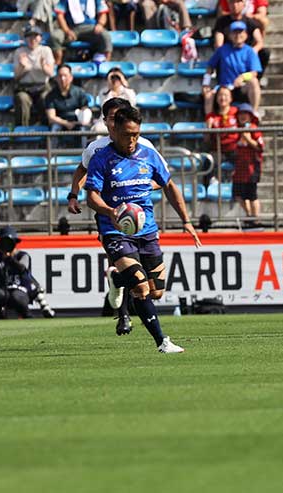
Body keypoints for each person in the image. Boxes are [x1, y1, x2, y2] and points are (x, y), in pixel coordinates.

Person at [85, 106, 202, 353]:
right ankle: (162, 341)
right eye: (127, 134)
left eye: (136, 134)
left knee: (156, 292)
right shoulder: (101, 159)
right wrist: (111, 213)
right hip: (115, 231)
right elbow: (92, 197)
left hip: (147, 231)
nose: (132, 140)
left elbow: (168, 185)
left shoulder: (148, 155)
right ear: (114, 130)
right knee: (140, 288)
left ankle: (117, 278)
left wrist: (186, 221)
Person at [68, 98, 166, 334]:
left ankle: (118, 285)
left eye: (118, 116)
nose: (114, 122)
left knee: (150, 286)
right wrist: (73, 195)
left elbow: (161, 178)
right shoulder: (97, 149)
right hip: (110, 216)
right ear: (106, 122)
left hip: (139, 215)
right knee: (123, 263)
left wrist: (139, 186)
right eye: (111, 118)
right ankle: (123, 316)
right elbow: (82, 171)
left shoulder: (144, 145)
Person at [204, 23, 262, 112]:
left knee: (254, 82)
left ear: (246, 35)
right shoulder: (222, 50)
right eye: (235, 32)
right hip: (224, 87)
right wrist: (206, 84)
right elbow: (210, 67)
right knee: (209, 95)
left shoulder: (250, 51)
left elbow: (254, 73)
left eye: (240, 32)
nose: (238, 35)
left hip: (241, 88)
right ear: (230, 35)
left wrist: (242, 77)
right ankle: (209, 120)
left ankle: (254, 113)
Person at [213, 0, 269, 75]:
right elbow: (219, 44)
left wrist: (252, 51)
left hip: (246, 54)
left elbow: (259, 42)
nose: (235, 5)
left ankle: (255, 78)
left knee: (264, 53)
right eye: (232, 2)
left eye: (238, 2)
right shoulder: (222, 22)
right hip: (229, 54)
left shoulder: (250, 22)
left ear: (244, 4)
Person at [14, 25, 54, 127]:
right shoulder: (19, 52)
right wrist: (22, 67)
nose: (32, 39)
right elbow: (16, 77)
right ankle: (22, 129)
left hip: (42, 86)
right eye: (29, 36)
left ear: (40, 37)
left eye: (35, 36)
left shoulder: (46, 50)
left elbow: (51, 73)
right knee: (22, 99)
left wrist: (43, 66)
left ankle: (46, 127)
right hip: (25, 87)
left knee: (46, 98)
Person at [52, 0, 112, 65]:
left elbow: (102, 13)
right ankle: (58, 63)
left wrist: (100, 24)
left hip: (90, 28)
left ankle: (106, 64)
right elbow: (59, 15)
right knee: (55, 36)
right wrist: (67, 30)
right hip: (70, 28)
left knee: (105, 35)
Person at [232, 103, 263, 227]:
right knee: (238, 195)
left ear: (250, 116)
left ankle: (256, 219)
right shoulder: (235, 130)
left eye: (246, 114)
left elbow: (260, 147)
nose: (243, 116)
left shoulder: (254, 128)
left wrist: (248, 139)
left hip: (251, 167)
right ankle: (250, 216)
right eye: (241, 114)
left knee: (252, 195)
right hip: (239, 169)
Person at [45, 64, 91, 148]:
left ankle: (83, 155)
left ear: (71, 77)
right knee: (55, 128)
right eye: (60, 76)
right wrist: (66, 123)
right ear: (56, 78)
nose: (62, 79)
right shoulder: (50, 95)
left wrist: (79, 121)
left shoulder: (79, 92)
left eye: (65, 76)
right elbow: (51, 117)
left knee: (83, 129)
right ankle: (52, 156)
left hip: (77, 122)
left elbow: (85, 110)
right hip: (60, 122)